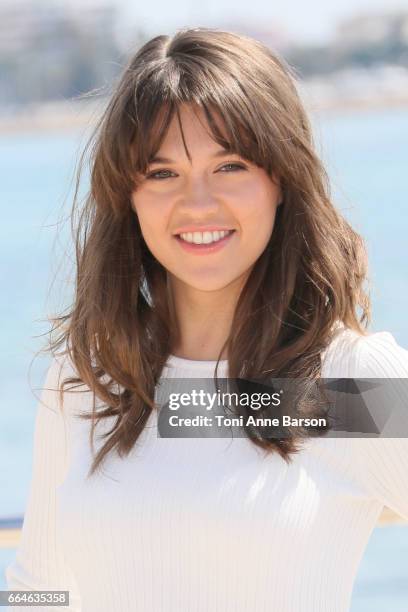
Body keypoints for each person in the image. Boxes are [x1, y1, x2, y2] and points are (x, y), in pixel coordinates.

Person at [6, 27, 408, 612]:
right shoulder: (89, 379)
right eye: (162, 173)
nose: (197, 203)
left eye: (230, 166)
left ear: (281, 182)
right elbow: (39, 585)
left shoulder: (346, 385)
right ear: (128, 195)